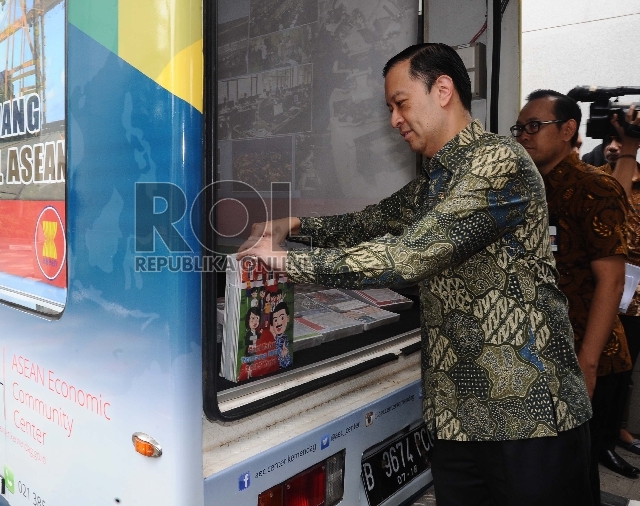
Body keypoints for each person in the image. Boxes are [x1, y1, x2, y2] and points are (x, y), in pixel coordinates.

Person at [238, 43, 593, 505]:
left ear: (442, 89)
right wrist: (298, 225)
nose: (394, 120)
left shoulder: (498, 162)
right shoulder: (438, 176)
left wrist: (286, 262)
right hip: (458, 418)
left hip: (525, 417)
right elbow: (374, 220)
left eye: (400, 103)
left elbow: (409, 255)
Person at [514, 90, 633, 498]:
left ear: (568, 130)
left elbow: (611, 282)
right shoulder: (531, 190)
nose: (524, 135)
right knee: (547, 477)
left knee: (575, 480)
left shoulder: (593, 187)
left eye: (534, 126)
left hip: (586, 356)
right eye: (519, 128)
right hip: (545, 354)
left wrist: (588, 364)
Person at [601, 105, 640, 457]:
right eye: (610, 140)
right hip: (604, 291)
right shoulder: (596, 180)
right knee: (604, 370)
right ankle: (602, 442)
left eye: (621, 140)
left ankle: (618, 431)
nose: (615, 146)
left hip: (637, 296)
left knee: (626, 369)